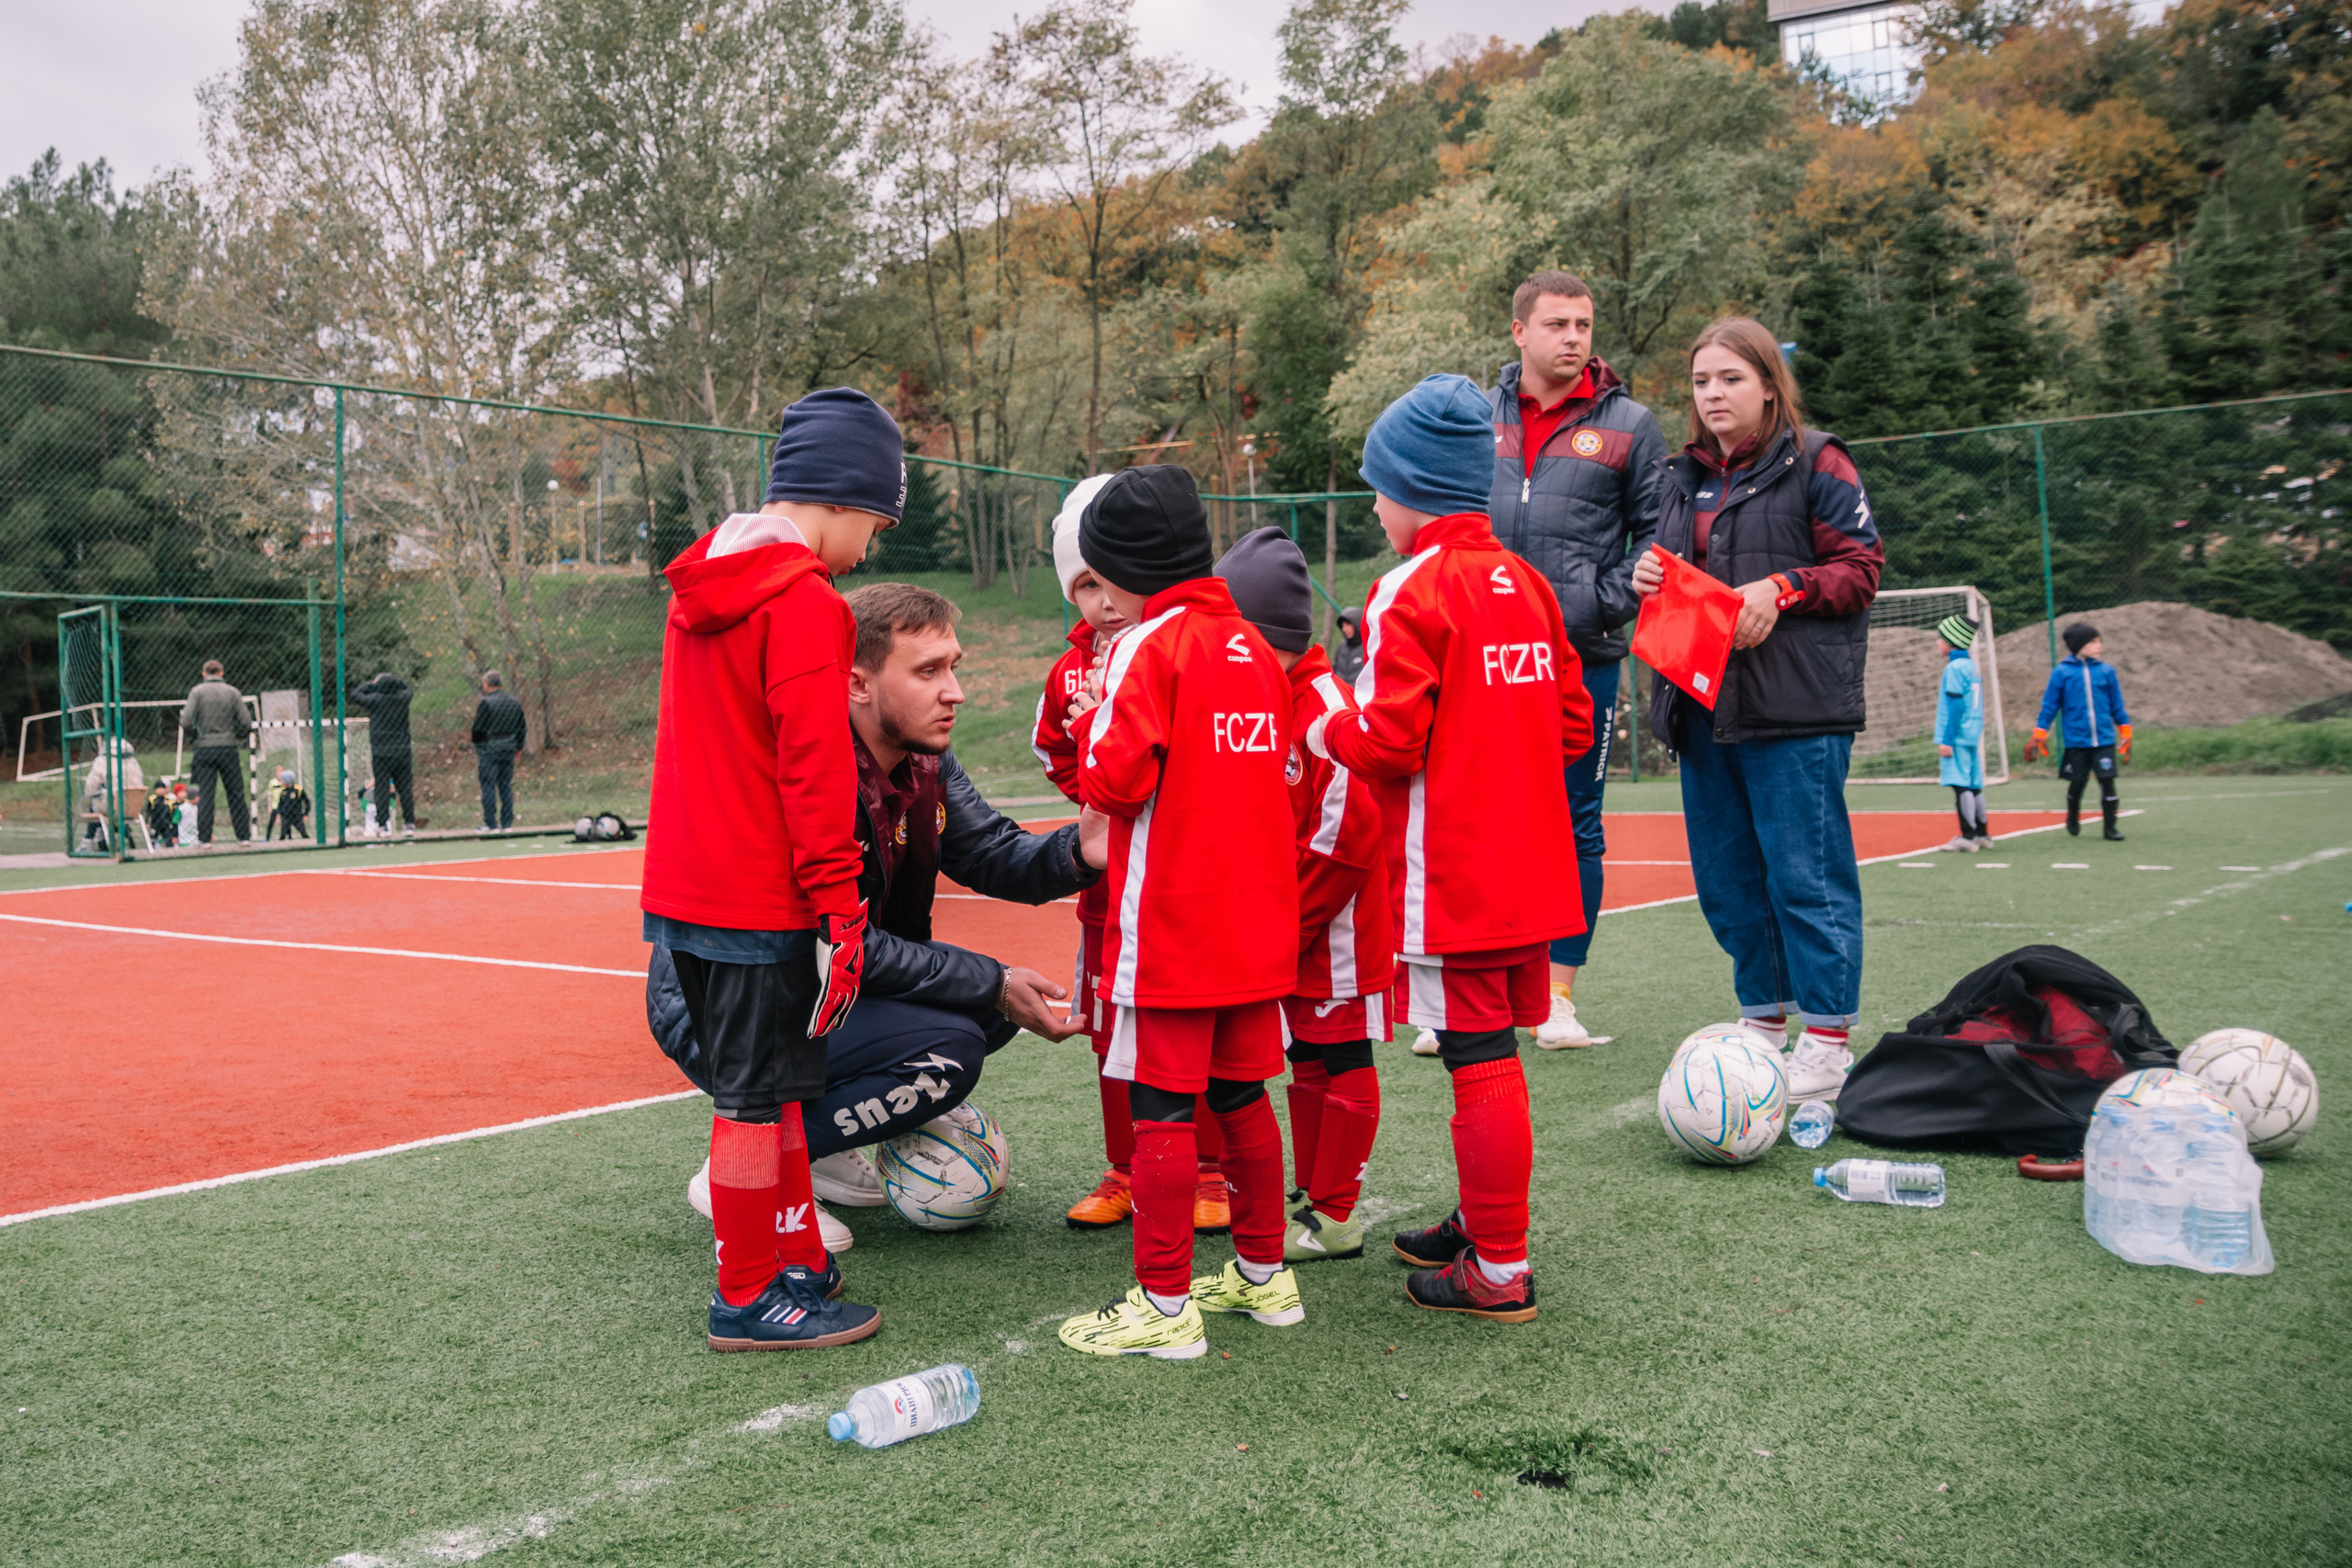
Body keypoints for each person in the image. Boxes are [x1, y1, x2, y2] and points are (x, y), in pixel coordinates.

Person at [652, 581, 1107, 1253]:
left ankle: (823, 1150)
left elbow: (991, 850)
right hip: (730, 1005)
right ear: (856, 683)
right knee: (957, 1040)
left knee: (985, 1011)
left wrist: (1082, 848)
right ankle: (751, 1169)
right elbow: (837, 938)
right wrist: (992, 979)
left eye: (953, 665)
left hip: (824, 987)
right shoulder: (807, 772)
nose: (955, 690)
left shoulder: (926, 760)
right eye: (928, 671)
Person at [1306, 373, 1589, 1325]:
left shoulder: (1408, 589)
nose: (1375, 506)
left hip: (1456, 868)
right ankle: (1482, 1222)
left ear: (1412, 489)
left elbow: (1389, 741)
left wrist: (1324, 729)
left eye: (1378, 487)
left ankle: (1499, 1265)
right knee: (1491, 1045)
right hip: (1531, 862)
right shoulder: (1529, 585)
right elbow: (1572, 725)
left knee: (1477, 1057)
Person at [637, 385, 905, 1352]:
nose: (872, 541)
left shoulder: (705, 587)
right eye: (876, 516)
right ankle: (749, 1295)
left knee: (776, 1086)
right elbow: (813, 766)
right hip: (762, 893)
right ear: (842, 497)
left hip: (687, 889)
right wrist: (841, 905)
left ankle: (790, 1253)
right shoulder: (803, 602)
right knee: (757, 1096)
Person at [1053, 466, 1304, 1361]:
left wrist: (1090, 728)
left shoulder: (1143, 651)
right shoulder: (1247, 644)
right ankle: (1266, 1278)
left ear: (1121, 569)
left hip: (1174, 927)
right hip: (1256, 925)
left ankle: (1163, 1309)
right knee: (1242, 1100)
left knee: (1161, 1112)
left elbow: (1112, 782)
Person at [1633, 316, 1884, 1105]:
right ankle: (1764, 1023)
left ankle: (1830, 1037)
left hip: (1796, 710)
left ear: (1770, 385)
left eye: (1731, 379)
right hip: (1703, 706)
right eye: (1702, 381)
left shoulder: (1819, 458)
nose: (1713, 394)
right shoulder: (1681, 476)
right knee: (1730, 881)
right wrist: (1648, 573)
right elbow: (1683, 573)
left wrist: (1785, 587)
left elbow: (1861, 568)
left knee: (1805, 879)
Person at [1037, 476, 1234, 1235]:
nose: (1104, 600)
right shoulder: (1071, 672)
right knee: (1109, 1035)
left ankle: (1211, 1171)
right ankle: (1125, 1169)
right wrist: (1092, 788)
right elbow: (1059, 751)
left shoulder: (1189, 651)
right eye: (1084, 585)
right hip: (1108, 895)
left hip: (1186, 894)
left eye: (1111, 578)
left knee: (1200, 1038)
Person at [1484, 270, 1667, 1054]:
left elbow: (1661, 535)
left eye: (1584, 325)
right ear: (1519, 330)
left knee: (1574, 824)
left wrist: (1596, 600)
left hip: (1580, 655)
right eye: (1557, 323)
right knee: (1479, 820)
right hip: (1482, 657)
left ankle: (1557, 996)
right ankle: (1478, 994)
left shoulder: (1631, 424)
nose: (1573, 338)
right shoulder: (1474, 415)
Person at [1214, 526, 1393, 1266]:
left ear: (1273, 636)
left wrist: (1285, 929)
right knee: (1307, 1059)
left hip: (1337, 927)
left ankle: (1338, 1213)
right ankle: (1315, 1197)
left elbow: (1344, 839)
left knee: (1342, 1052)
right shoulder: (1260, 695)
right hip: (1290, 923)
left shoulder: (1323, 706)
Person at [2027, 623, 2132, 842]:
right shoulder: (2062, 672)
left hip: (2104, 739)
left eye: (2099, 641)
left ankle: (2110, 828)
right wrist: (2040, 731)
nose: (2099, 645)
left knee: (2107, 781)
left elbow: (2117, 705)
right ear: (2078, 645)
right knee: (2078, 782)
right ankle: (2073, 816)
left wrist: (2125, 729)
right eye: (2093, 642)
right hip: (2076, 741)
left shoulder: (2107, 671)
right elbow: (2050, 706)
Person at [179, 660, 253, 845]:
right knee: (236, 792)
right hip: (228, 747)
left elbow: (186, 720)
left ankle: (204, 839)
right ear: (221, 673)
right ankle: (243, 837)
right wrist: (235, 735)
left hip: (205, 748)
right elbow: (246, 722)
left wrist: (197, 735)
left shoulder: (197, 692)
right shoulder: (232, 692)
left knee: (206, 793)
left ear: (204, 673)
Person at [1936, 615, 1992, 852]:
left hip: (1957, 735)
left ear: (1952, 641)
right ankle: (1983, 834)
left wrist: (1947, 739)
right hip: (1972, 732)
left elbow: (1956, 706)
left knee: (1960, 785)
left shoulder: (1954, 668)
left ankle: (1967, 837)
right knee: (1973, 784)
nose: (1938, 643)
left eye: (1941, 638)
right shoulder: (1971, 666)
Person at [351, 671, 419, 837]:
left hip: (381, 751)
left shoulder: (374, 700)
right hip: (401, 750)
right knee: (404, 788)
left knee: (381, 786)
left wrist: (373, 684)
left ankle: (382, 825)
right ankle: (409, 823)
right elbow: (407, 689)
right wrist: (394, 680)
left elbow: (355, 694)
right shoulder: (403, 699)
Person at [469, 671, 526, 831]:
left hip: (489, 750)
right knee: (505, 786)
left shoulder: (486, 703)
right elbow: (522, 727)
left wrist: (480, 748)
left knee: (488, 786)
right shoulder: (514, 703)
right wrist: (518, 747)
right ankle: (507, 823)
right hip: (508, 749)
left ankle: (490, 824)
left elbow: (477, 730)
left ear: (487, 684)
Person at [79, 734, 143, 846]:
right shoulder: (134, 763)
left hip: (109, 806)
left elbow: (91, 787)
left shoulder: (102, 761)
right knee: (117, 805)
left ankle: (88, 840)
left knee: (95, 805)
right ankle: (120, 837)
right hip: (132, 807)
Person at [266, 767, 311, 840]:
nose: (281, 781)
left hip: (297, 816)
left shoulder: (298, 789)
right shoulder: (283, 791)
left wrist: (306, 813)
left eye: (283, 780)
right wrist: (279, 813)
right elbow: (280, 804)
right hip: (286, 816)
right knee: (282, 836)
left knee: (304, 834)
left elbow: (307, 802)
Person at [1329, 605, 1367, 685]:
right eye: (1343, 625)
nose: (1344, 629)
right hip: (1341, 695)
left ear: (1358, 624)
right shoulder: (1341, 647)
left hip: (1360, 696)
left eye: (1348, 625)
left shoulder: (1368, 647)